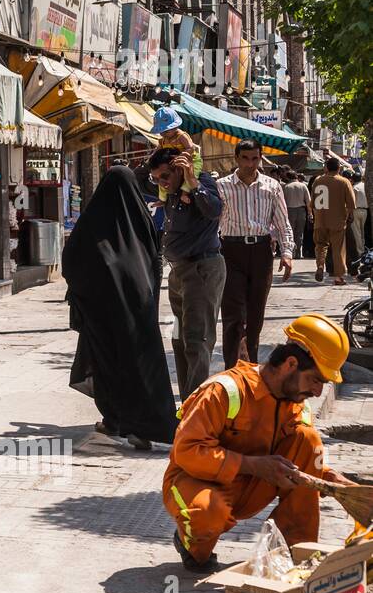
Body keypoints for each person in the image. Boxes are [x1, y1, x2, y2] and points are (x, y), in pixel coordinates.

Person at [163, 314, 353, 572]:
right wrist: (253, 465)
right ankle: (190, 542)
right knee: (207, 518)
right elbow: (187, 451)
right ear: (290, 363)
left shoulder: (295, 405)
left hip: (249, 487)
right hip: (195, 482)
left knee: (308, 439)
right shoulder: (224, 391)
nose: (318, 392)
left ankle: (293, 552)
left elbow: (305, 463)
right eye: (316, 380)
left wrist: (339, 486)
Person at [61, 166, 176, 449]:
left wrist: (86, 296)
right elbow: (154, 261)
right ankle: (138, 425)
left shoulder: (91, 227)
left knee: (108, 366)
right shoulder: (140, 220)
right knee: (140, 366)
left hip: (102, 315)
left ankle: (117, 419)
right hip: (138, 309)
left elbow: (71, 261)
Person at [148, 147, 225, 401]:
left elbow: (214, 210)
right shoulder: (170, 192)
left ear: (180, 167)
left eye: (165, 176)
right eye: (157, 178)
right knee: (179, 340)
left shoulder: (201, 183)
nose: (162, 182)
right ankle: (187, 401)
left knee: (197, 340)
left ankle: (197, 409)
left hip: (201, 269)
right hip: (179, 271)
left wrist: (192, 181)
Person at [217, 140, 294, 369]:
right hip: (230, 251)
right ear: (237, 159)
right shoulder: (222, 186)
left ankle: (250, 366)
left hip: (261, 252)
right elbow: (213, 221)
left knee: (255, 315)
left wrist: (287, 252)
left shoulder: (272, 186)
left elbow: (282, 223)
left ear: (260, 158)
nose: (250, 164)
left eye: (255, 158)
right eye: (245, 158)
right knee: (234, 315)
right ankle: (233, 368)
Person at [312, 157, 356, 285]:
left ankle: (320, 266)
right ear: (339, 168)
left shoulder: (317, 181)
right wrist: (348, 215)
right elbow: (351, 204)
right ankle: (338, 277)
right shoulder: (344, 182)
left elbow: (313, 203)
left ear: (326, 168)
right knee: (338, 248)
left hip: (320, 220)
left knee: (320, 245)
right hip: (337, 221)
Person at [282, 170, 313, 260]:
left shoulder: (286, 187)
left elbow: (283, 202)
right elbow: (308, 201)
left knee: (290, 232)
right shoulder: (303, 186)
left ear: (288, 177)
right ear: (296, 176)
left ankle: (290, 252)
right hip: (301, 211)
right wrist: (310, 213)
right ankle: (298, 253)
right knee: (299, 234)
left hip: (289, 211)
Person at [354, 173, 368, 258]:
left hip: (356, 211)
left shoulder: (354, 187)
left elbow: (352, 201)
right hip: (365, 211)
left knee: (357, 232)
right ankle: (363, 249)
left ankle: (360, 251)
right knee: (362, 231)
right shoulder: (365, 186)